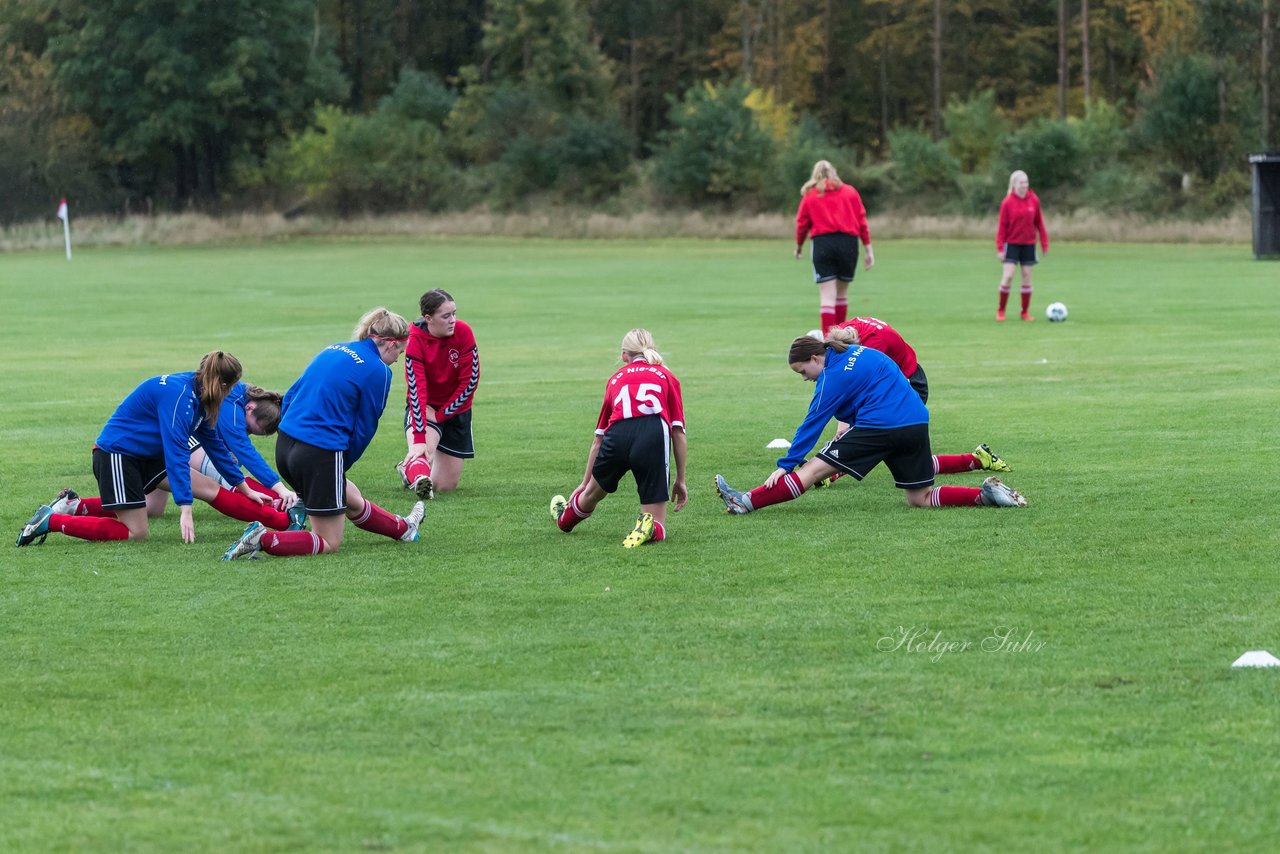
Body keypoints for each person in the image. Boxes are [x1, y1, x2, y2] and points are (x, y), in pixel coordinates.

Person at [714, 328, 1027, 516]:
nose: (804, 378)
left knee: (810, 471)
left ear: (815, 359)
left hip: (881, 427)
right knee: (920, 498)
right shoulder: (860, 352)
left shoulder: (831, 377)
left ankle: (746, 501)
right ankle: (983, 496)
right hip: (916, 421)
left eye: (802, 371)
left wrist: (786, 463)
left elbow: (812, 422)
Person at [16, 352, 290, 547]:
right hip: (117, 455)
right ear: (220, 384)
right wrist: (185, 508)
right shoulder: (179, 397)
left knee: (208, 489)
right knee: (136, 532)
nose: (233, 394)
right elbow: (175, 453)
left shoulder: (202, 397)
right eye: (231, 388)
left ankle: (283, 522)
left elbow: (215, 447)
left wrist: (244, 487)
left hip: (146, 454)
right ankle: (51, 521)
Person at [222, 308, 425, 560]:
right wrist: (338, 465)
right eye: (400, 352)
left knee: (350, 497)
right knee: (329, 541)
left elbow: (292, 394)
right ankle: (262, 538)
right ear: (391, 344)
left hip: (285, 446)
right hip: (318, 454)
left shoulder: (334, 348)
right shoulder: (379, 371)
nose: (397, 359)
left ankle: (403, 529)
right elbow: (364, 428)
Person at [822, 316, 1012, 479]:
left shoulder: (872, 347)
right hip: (893, 384)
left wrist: (844, 427)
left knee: (877, 442)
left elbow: (855, 389)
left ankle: (830, 472)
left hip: (908, 385)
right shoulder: (845, 332)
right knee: (898, 455)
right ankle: (978, 459)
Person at [550, 329, 688, 548]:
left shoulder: (615, 379)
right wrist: (680, 480)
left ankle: (564, 520)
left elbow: (598, 439)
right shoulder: (667, 376)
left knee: (591, 495)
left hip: (617, 434)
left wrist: (585, 483)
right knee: (658, 522)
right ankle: (648, 526)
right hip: (651, 433)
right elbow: (678, 433)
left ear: (625, 356)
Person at [143, 383, 302, 519]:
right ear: (250, 407)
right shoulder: (232, 404)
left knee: (152, 510)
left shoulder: (239, 400)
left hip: (168, 438)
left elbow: (224, 438)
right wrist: (280, 489)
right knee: (216, 471)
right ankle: (281, 505)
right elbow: (243, 448)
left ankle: (127, 489)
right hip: (166, 430)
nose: (246, 432)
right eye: (248, 429)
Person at [398, 288, 479, 499]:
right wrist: (419, 436)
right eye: (446, 316)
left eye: (454, 313)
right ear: (428, 318)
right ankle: (415, 469)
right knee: (424, 450)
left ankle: (407, 470)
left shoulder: (463, 332)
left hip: (457, 410)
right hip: (427, 407)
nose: (453, 320)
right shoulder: (414, 340)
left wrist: (443, 415)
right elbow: (416, 388)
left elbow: (469, 382)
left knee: (444, 486)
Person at [794, 160, 875, 333]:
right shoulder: (850, 192)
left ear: (815, 175)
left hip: (823, 243)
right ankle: (839, 338)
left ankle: (828, 343)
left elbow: (802, 224)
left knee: (827, 296)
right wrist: (868, 248)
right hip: (849, 243)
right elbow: (862, 221)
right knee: (841, 295)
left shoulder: (811, 195)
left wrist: (799, 246)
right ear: (834, 172)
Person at [995, 169, 1049, 322]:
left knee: (1026, 277)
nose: (1024, 185)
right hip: (1011, 243)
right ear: (1014, 184)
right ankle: (1001, 310)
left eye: (1026, 182)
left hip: (1028, 244)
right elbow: (1002, 226)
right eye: (1021, 183)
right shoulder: (1007, 203)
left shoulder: (1034, 200)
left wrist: (1044, 242)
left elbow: (1039, 223)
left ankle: (1024, 312)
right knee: (1008, 276)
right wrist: (1000, 248)